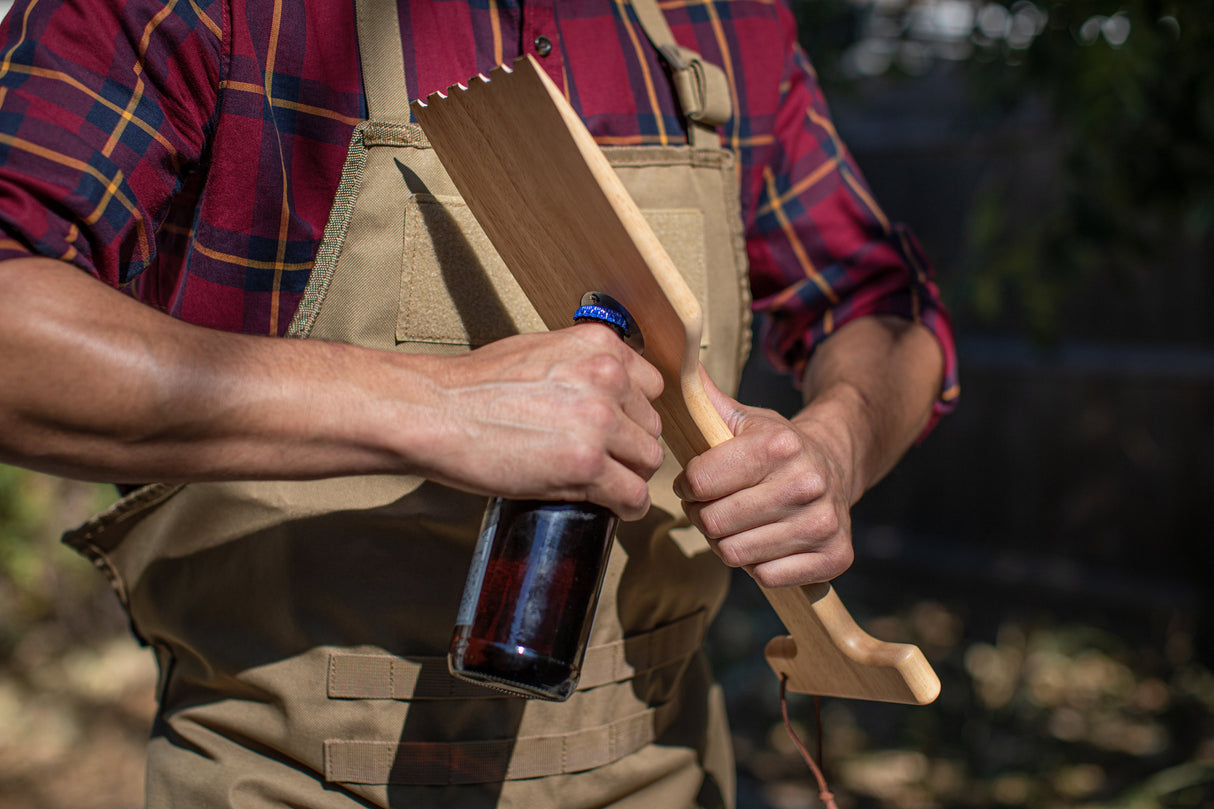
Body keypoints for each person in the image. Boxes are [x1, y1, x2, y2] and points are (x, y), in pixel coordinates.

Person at [0, 0, 957, 807]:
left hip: (669, 769)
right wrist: (436, 406)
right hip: (287, 775)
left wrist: (831, 448)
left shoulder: (725, 19)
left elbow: (879, 303)